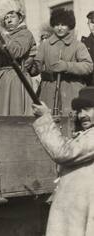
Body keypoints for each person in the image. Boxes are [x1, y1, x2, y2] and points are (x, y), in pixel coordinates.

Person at [32, 86, 94, 236]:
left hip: (82, 213)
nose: (82, 115)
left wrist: (45, 118)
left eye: (87, 109)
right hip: (77, 212)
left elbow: (63, 152)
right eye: (79, 111)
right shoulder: (85, 135)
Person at [29, 8, 93, 116]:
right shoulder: (45, 45)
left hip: (71, 90)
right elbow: (35, 68)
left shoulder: (78, 45)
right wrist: (30, 64)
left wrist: (67, 66)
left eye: (63, 24)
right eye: (56, 24)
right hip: (48, 92)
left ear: (70, 25)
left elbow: (89, 66)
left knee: (70, 124)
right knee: (48, 124)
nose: (59, 28)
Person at [0, 0, 37, 116]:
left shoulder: (25, 34)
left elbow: (16, 51)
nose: (8, 20)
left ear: (20, 17)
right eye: (5, 18)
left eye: (12, 16)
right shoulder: (3, 35)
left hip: (17, 77)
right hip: (0, 78)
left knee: (15, 113)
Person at [81, 10, 94, 85]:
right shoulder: (84, 43)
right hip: (90, 85)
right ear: (88, 25)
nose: (93, 25)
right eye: (91, 23)